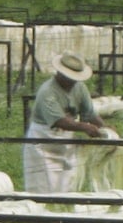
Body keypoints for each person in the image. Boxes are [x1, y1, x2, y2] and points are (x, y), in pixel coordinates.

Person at [23, 51, 107, 193]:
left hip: (65, 141)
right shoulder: (48, 91)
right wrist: (85, 127)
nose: (72, 81)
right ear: (60, 74)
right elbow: (59, 121)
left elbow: (89, 113)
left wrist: (104, 129)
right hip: (43, 142)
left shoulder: (79, 88)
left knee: (66, 183)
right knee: (43, 187)